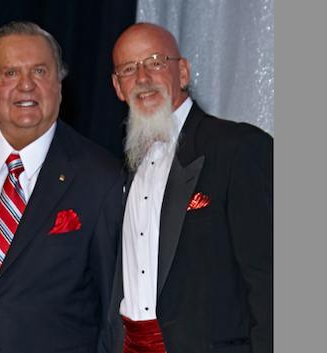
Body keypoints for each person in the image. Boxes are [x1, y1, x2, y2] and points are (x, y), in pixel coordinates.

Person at [0, 21, 126, 353]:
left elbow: (111, 313)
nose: (26, 86)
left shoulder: (102, 178)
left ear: (60, 88)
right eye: (10, 74)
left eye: (40, 72)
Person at [106, 23, 273, 353]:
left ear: (182, 72)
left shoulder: (240, 148)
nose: (142, 78)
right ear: (118, 87)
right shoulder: (117, 169)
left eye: (155, 62)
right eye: (129, 69)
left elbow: (271, 281)